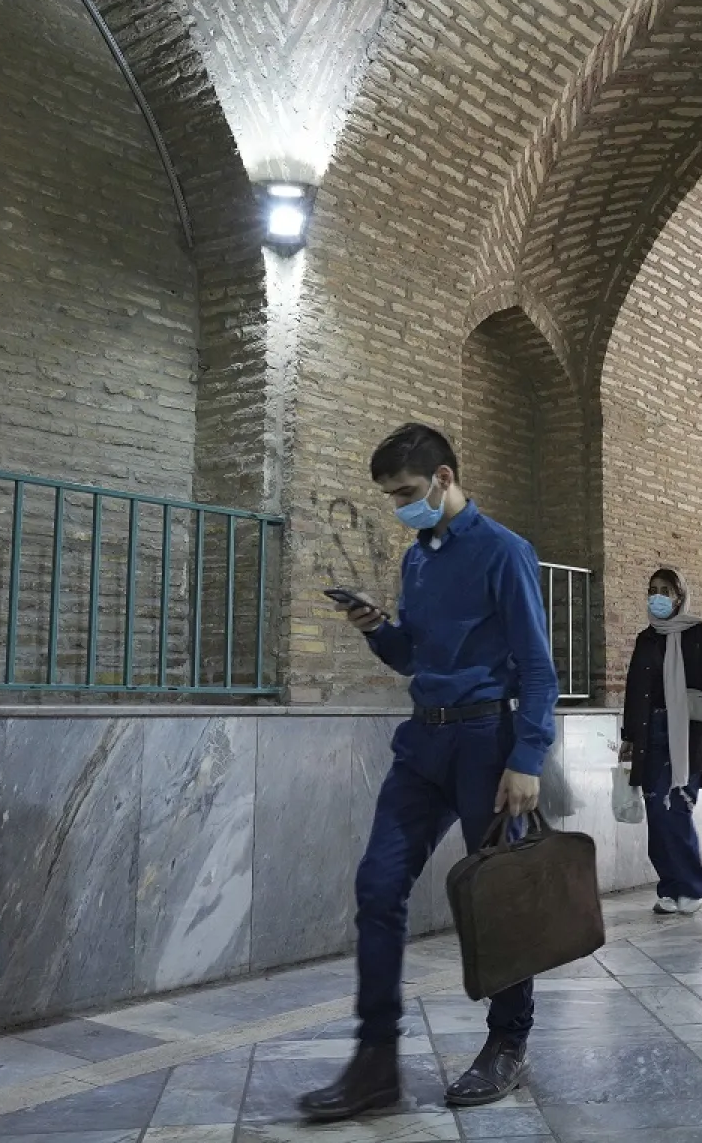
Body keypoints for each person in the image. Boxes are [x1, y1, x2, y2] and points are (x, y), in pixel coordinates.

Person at [299, 424, 559, 1119]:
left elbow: (537, 666)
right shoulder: (418, 559)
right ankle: (375, 1063)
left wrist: (526, 755)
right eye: (390, 498)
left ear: (443, 477)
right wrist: (376, 628)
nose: (400, 508)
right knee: (378, 884)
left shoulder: (505, 551)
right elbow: (414, 657)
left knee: (497, 897)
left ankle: (508, 1040)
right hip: (423, 744)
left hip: (486, 739)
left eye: (407, 493)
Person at [620, 567, 702, 915]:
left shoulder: (698, 634)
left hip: (688, 733)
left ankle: (693, 885)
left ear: (680, 597)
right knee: (657, 811)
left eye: (665, 590)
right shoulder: (647, 639)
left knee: (677, 809)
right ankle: (670, 886)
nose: (657, 596)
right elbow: (634, 690)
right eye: (652, 589)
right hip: (651, 732)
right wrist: (628, 735)